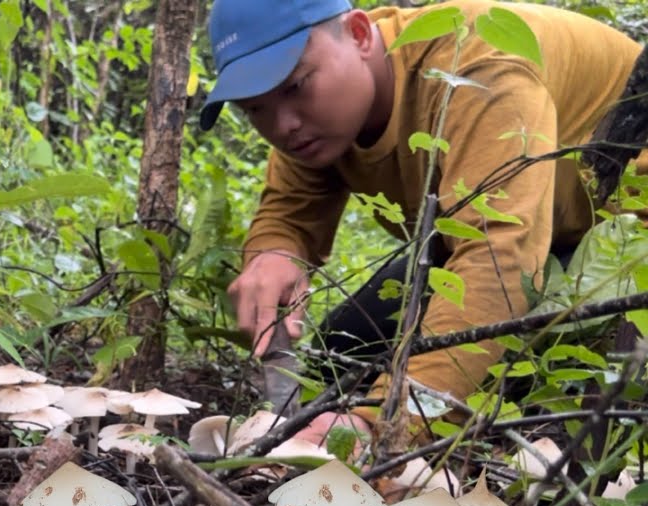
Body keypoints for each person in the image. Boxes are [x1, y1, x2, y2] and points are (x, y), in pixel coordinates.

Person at [202, 0, 647, 447]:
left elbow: (498, 259)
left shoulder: (476, 67)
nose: (283, 125)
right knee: (340, 353)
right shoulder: (314, 124)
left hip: (625, 243)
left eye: (296, 85)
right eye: (254, 109)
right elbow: (289, 215)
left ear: (358, 34)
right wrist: (275, 253)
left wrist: (381, 423)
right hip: (540, 235)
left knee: (549, 405)